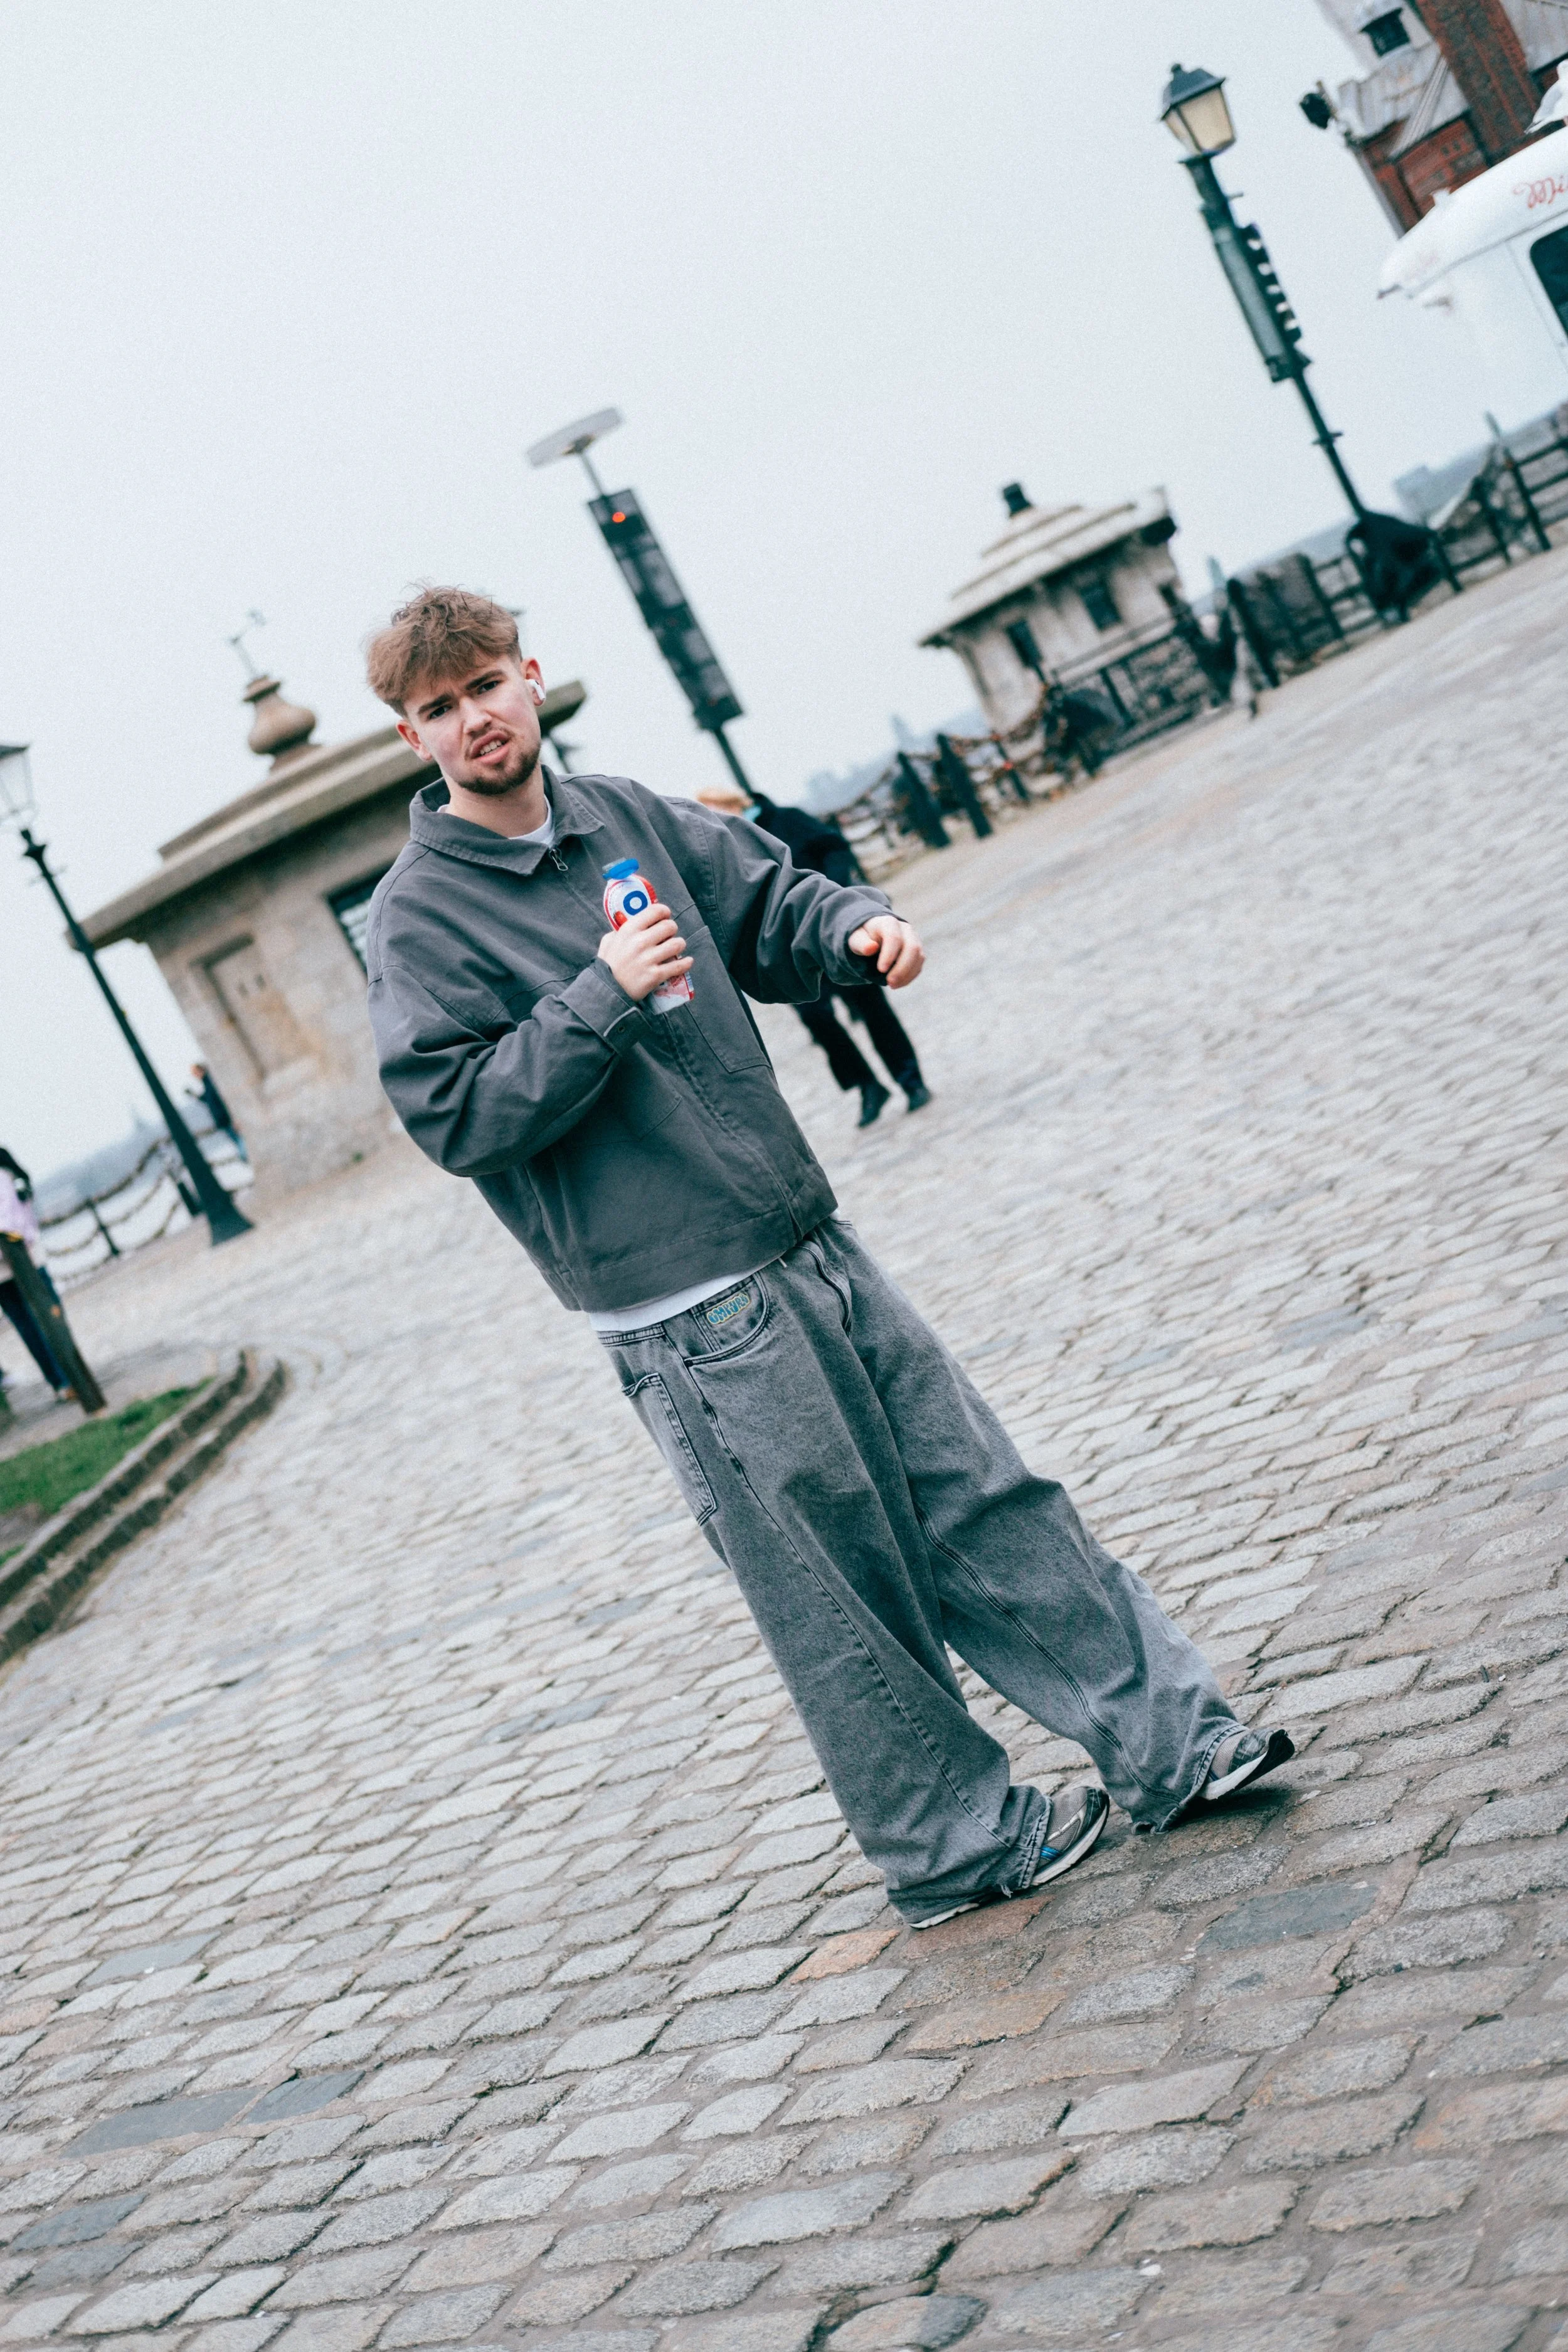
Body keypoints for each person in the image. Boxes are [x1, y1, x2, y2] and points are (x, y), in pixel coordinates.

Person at [363, 588, 1294, 1930]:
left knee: (987, 1498)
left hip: (804, 1234)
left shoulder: (622, 814)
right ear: (412, 737)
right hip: (687, 1311)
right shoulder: (420, 919)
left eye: (487, 685)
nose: (475, 720)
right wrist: (600, 996)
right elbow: (457, 1114)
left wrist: (850, 928)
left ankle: (1172, 1746)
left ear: (532, 679)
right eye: (440, 708)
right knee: (836, 1593)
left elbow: (764, 903)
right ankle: (952, 1845)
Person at [694, 781, 930, 1128]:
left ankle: (911, 1080)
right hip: (785, 949)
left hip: (834, 933)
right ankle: (867, 1087)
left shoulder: (787, 819)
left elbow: (834, 846)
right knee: (820, 1022)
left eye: (716, 810)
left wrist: (834, 893)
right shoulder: (723, 850)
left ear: (732, 804)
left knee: (871, 1008)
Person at [0, 1148, 70, 1401]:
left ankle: (63, 1378)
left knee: (33, 1321)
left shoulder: (6, 1168)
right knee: (41, 1316)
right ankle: (65, 1376)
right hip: (21, 1259)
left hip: (22, 1258)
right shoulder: (6, 1168)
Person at [188, 1062, 247, 1162]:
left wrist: (233, 1118)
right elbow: (208, 1099)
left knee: (243, 1147)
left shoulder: (211, 1081)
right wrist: (195, 1096)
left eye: (195, 1073)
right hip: (223, 1121)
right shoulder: (207, 1083)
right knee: (240, 1144)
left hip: (227, 1119)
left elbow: (220, 1099)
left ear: (201, 1070)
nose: (195, 1076)